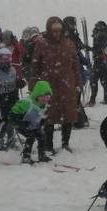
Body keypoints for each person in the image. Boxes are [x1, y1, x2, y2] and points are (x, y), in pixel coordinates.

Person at [32, 16, 81, 153]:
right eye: (54, 30)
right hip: (48, 85)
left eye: (59, 30)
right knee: (49, 115)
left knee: (68, 115)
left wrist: (78, 83)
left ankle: (65, 143)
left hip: (67, 85)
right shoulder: (42, 44)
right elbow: (35, 66)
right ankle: (49, 145)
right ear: (49, 29)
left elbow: (76, 65)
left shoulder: (69, 44)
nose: (57, 33)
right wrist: (33, 86)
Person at [9, 80, 53, 164]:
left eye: (48, 96)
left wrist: (43, 120)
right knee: (31, 136)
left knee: (42, 136)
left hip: (33, 125)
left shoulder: (45, 105)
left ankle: (42, 155)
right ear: (37, 95)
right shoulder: (27, 103)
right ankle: (26, 157)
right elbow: (12, 114)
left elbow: (42, 115)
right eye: (43, 96)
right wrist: (20, 122)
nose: (45, 99)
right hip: (21, 124)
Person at [0, 48, 25, 151]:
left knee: (13, 120)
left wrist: (19, 83)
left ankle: (11, 141)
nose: (6, 60)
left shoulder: (12, 69)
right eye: (3, 58)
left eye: (8, 58)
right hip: (2, 100)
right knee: (4, 121)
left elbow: (15, 80)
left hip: (13, 98)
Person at [88, 21, 107, 106]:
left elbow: (101, 48)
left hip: (103, 61)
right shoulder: (106, 35)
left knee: (97, 80)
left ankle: (94, 100)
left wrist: (91, 49)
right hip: (106, 61)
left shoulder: (101, 35)